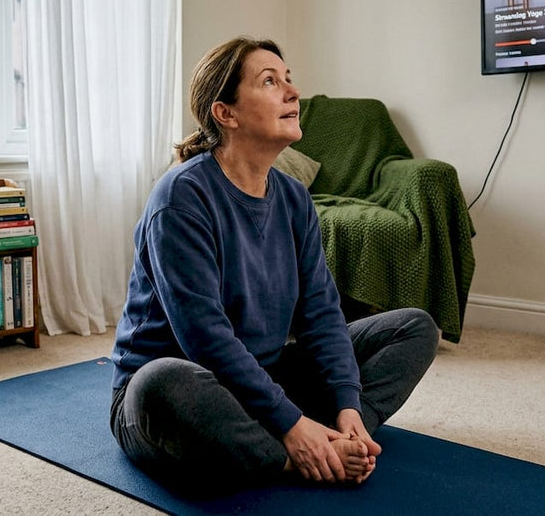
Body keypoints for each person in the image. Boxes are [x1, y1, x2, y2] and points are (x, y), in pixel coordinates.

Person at [109, 36, 440, 493]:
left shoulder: (293, 198)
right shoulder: (181, 197)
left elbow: (323, 315)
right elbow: (204, 337)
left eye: (289, 79)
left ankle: (339, 438)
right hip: (185, 386)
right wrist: (290, 423)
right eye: (270, 81)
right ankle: (296, 455)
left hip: (266, 376)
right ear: (227, 113)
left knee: (414, 328)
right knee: (160, 383)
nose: (292, 92)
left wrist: (348, 406)